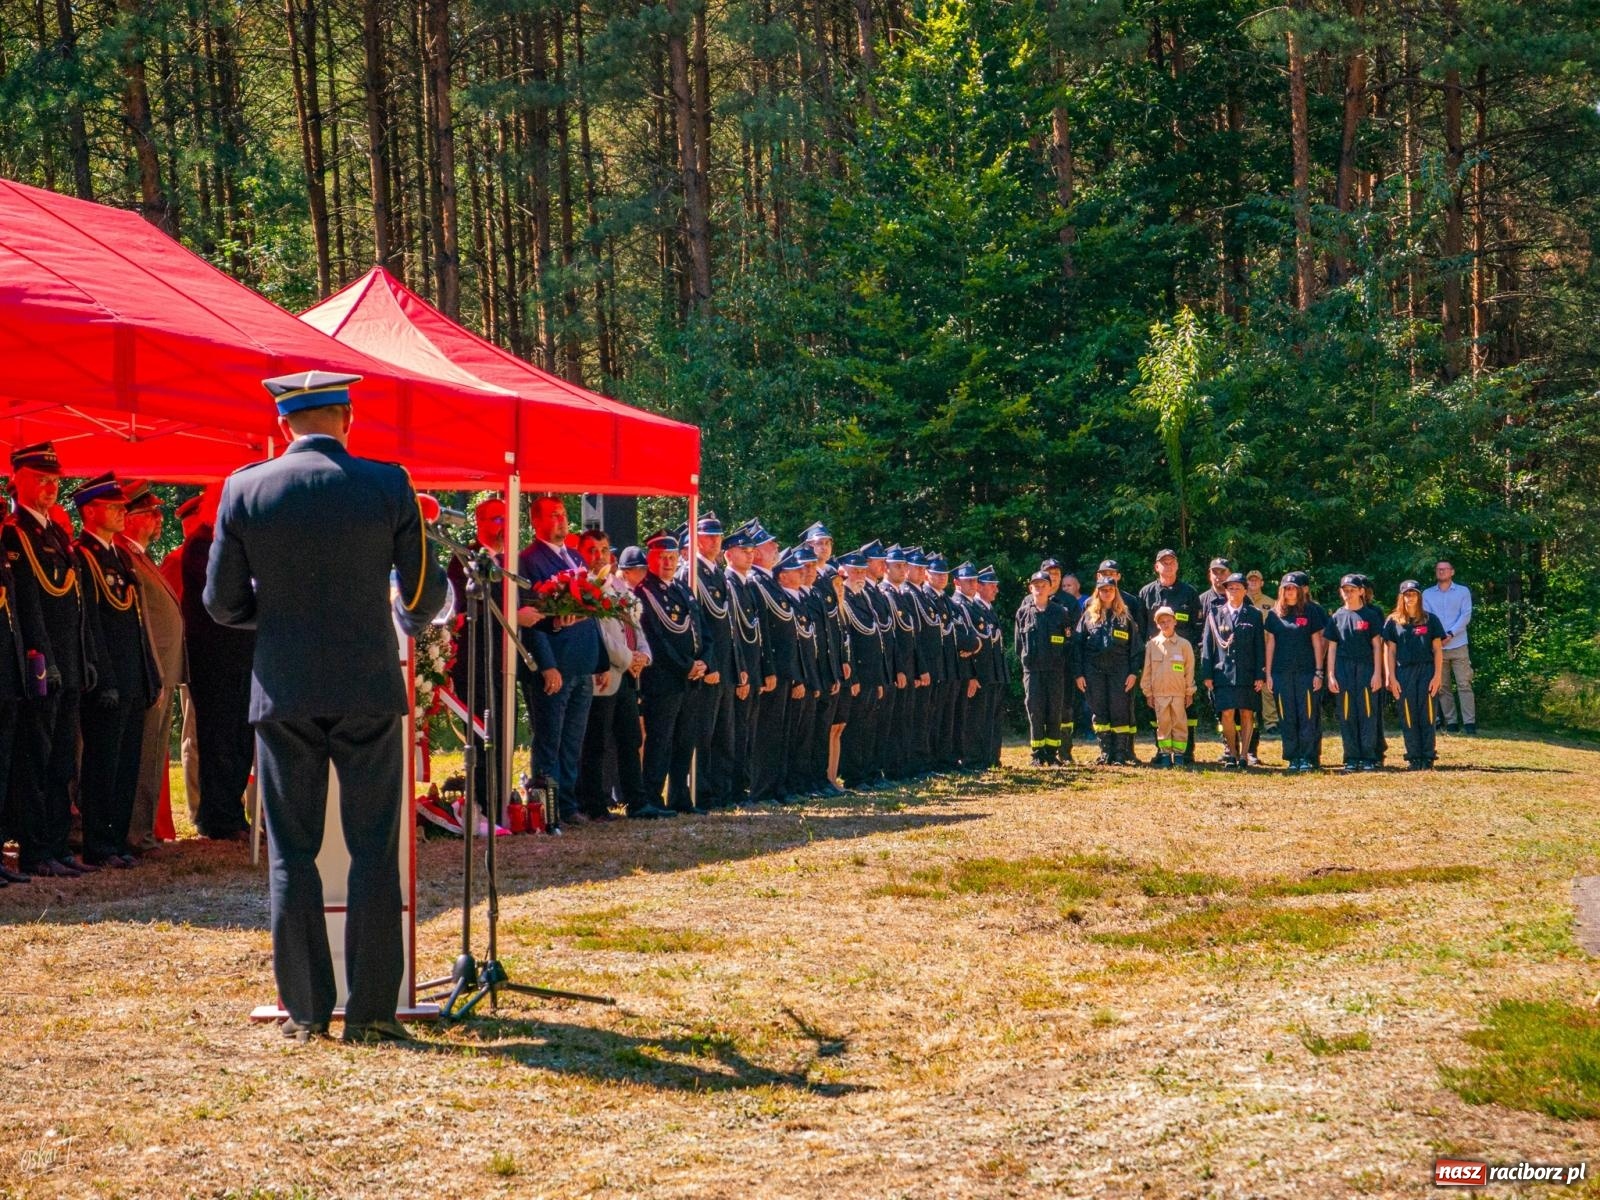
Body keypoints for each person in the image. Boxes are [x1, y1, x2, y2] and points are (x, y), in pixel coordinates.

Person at [204, 369, 449, 1045]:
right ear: (347, 418)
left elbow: (222, 603)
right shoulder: (386, 483)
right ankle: (371, 1011)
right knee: (374, 847)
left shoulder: (243, 488)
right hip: (367, 682)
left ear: (284, 425)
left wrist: (277, 620)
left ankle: (307, 1012)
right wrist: (403, 615)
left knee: (293, 853)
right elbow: (425, 591)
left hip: (283, 688)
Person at [4, 442, 101, 878]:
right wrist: (43, 657)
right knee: (36, 758)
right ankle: (36, 847)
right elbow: (29, 604)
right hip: (42, 663)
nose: (50, 487)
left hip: (68, 660)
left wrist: (81, 659)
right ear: (15, 481)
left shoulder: (56, 535)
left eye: (54, 480)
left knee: (63, 758)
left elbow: (75, 606)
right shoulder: (15, 533)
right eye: (41, 479)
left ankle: (58, 844)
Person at [73, 475, 160, 868]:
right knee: (102, 762)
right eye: (113, 507)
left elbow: (136, 622)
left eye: (123, 507)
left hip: (132, 676)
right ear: (90, 512)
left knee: (126, 763)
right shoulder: (84, 555)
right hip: (107, 679)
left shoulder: (120, 557)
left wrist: (148, 672)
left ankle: (118, 837)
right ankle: (98, 841)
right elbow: (89, 624)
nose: (122, 512)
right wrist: (103, 677)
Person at [517, 495, 606, 824]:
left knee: (572, 741)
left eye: (563, 514)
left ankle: (567, 805)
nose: (561, 520)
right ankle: (545, 809)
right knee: (550, 739)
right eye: (553, 515)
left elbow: (590, 612)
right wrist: (546, 664)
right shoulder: (528, 560)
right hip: (555, 665)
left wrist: (599, 662)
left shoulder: (572, 557)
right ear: (536, 522)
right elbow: (534, 619)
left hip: (581, 663)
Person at [178, 483, 257, 840]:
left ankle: (232, 812)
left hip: (241, 656)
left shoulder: (231, 546)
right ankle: (218, 816)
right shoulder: (200, 546)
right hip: (215, 661)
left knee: (241, 738)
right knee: (220, 739)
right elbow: (226, 591)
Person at [579, 542, 670, 818]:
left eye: (605, 551)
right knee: (598, 741)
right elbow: (601, 635)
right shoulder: (584, 587)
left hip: (629, 673)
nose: (600, 557)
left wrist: (643, 654)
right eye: (593, 551)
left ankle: (637, 801)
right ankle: (595, 804)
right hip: (606, 672)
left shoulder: (620, 588)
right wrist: (629, 659)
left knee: (630, 738)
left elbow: (634, 623)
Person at [119, 483, 186, 852]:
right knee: (143, 752)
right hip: (150, 670)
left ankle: (143, 831)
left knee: (154, 752)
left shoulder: (139, 555)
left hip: (160, 670)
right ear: (130, 519)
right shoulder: (126, 557)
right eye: (151, 513)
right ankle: (135, 832)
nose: (159, 519)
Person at [445, 498, 510, 817]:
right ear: (480, 521)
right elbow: (462, 608)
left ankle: (501, 799)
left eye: (507, 519)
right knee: (484, 736)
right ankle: (486, 804)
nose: (504, 526)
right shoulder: (464, 560)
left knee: (503, 734)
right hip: (477, 663)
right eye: (498, 519)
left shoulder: (510, 562)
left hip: (504, 663)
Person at [635, 532, 706, 811]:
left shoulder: (682, 590)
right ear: (650, 558)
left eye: (672, 557)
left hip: (691, 678)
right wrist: (687, 665)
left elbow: (701, 631)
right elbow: (656, 640)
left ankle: (680, 797)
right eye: (662, 557)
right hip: (664, 679)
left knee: (684, 741)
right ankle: (652, 797)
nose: (667, 562)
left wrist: (704, 662)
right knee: (660, 741)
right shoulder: (644, 593)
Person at [748, 531, 804, 803]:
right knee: (767, 732)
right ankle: (762, 789)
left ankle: (777, 786)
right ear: (757, 551)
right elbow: (765, 633)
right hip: (772, 667)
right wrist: (768, 668)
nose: (777, 548)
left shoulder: (770, 583)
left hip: (784, 667)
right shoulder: (757, 582)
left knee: (779, 730)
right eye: (771, 545)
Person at [1138, 549, 1203, 763]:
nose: (1167, 566)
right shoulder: (1146, 593)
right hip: (1155, 658)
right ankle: (1162, 751)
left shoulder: (1189, 593)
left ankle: (1187, 751)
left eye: (1171, 562)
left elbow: (1197, 626)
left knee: (1185, 709)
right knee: (1158, 711)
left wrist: (1191, 649)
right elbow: (1140, 627)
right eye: (1163, 563)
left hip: (1183, 658)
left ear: (1177, 565)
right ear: (1156, 567)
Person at [164, 495, 206, 821]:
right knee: (194, 731)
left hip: (208, 659)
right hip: (192, 660)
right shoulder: (178, 560)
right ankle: (195, 806)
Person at [1074, 574, 1144, 765]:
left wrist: (1133, 673)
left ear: (1115, 592)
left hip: (1120, 671)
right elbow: (1077, 646)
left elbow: (1136, 649)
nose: (1107, 593)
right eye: (1103, 590)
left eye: (1110, 590)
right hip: (1093, 671)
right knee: (1100, 711)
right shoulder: (1088, 616)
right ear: (1098, 592)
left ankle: (1120, 754)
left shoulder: (1125, 617)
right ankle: (1106, 752)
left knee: (1119, 710)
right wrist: (1079, 674)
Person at [1200, 573, 1265, 770]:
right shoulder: (1215, 614)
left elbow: (1259, 647)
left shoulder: (1254, 614)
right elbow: (1207, 646)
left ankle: (1245, 754)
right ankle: (1233, 754)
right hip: (1223, 673)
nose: (1233, 591)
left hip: (1247, 672)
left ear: (1245, 590)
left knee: (1247, 713)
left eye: (1237, 588)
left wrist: (1260, 674)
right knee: (1227, 714)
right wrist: (1207, 674)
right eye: (1230, 588)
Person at [1263, 573, 1327, 772]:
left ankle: (1308, 757)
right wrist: (1269, 674)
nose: (1290, 591)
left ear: (1300, 590)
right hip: (1281, 674)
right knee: (1287, 716)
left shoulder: (1310, 611)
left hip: (1306, 673)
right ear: (1282, 591)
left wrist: (1319, 672)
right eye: (1287, 588)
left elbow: (1318, 642)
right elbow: (1271, 643)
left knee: (1307, 715)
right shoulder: (1275, 614)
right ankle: (1293, 757)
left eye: (1293, 588)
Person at [1325, 573, 1385, 773]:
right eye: (1345, 590)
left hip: (1367, 669)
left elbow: (1377, 646)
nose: (1348, 594)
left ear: (1361, 591)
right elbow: (1331, 648)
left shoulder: (1371, 615)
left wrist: (1378, 673)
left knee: (1368, 713)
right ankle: (1351, 756)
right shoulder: (1337, 617)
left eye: (1352, 590)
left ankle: (1369, 756)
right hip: (1343, 669)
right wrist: (1331, 675)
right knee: (1347, 714)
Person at [1384, 580, 1445, 770]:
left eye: (1414, 593)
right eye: (1407, 594)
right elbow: (1390, 652)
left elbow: (1437, 650)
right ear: (1401, 597)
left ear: (1419, 596)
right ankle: (1413, 757)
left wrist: (1437, 676)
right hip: (1404, 672)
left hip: (1426, 671)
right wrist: (1391, 677)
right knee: (1408, 714)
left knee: (1427, 714)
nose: (1410, 597)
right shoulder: (1393, 621)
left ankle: (1427, 756)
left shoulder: (1430, 619)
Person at [1016, 571, 1071, 765]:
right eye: (1035, 585)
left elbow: (1067, 643)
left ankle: (1052, 752)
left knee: (1054, 711)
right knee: (1035, 711)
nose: (1039, 589)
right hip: (1033, 672)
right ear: (1030, 588)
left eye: (1043, 585)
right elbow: (1019, 645)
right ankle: (1037, 753)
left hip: (1055, 671)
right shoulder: (1023, 613)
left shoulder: (1060, 612)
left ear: (1050, 588)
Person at [1422, 560, 1475, 733]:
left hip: (1459, 643)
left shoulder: (1462, 591)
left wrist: (1450, 634)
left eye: (1445, 569)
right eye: (1438, 569)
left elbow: (1466, 615)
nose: (1441, 572)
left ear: (1452, 572)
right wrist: (1438, 637)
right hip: (1437, 646)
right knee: (1443, 686)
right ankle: (1451, 722)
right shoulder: (1427, 594)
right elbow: (1426, 617)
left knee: (1464, 684)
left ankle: (1469, 723)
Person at [1141, 605, 1195, 768]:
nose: (1165, 624)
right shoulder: (1152, 645)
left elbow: (1189, 670)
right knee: (1163, 723)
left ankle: (1179, 755)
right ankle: (1165, 754)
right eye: (1161, 622)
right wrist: (1148, 693)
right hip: (1159, 693)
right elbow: (1147, 670)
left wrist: (1189, 692)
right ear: (1157, 625)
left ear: (1175, 622)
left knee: (1179, 722)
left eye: (1168, 621)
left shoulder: (1184, 645)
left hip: (1178, 693)